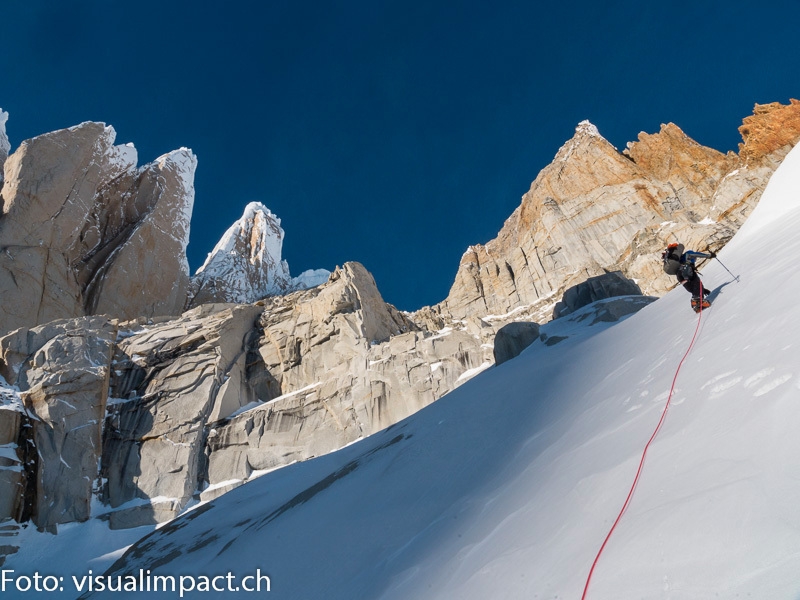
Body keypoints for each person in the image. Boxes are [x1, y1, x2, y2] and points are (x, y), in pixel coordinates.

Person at [662, 243, 716, 309]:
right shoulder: (688, 254)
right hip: (686, 270)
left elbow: (692, 288)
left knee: (694, 288)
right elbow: (696, 254)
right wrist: (709, 255)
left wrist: (703, 290)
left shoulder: (679, 261)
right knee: (697, 283)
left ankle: (695, 305)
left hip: (680, 276)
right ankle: (697, 300)